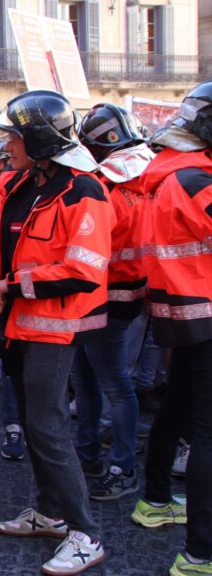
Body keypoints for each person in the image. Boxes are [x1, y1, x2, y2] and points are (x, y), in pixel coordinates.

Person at [0, 90, 112, 575]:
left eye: (11, 135)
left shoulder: (85, 191)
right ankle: (50, 512)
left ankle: (86, 533)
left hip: (53, 333)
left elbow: (83, 270)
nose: (4, 143)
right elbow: (7, 252)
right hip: (18, 327)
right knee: (37, 427)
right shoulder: (24, 185)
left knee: (48, 428)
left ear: (36, 139)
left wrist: (11, 286)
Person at [133, 81, 212, 576]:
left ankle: (156, 500)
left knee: (177, 410)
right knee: (207, 434)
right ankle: (201, 552)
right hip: (205, 312)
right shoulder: (197, 180)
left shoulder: (167, 174)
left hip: (179, 316)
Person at [72, 103, 152, 500]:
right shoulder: (145, 177)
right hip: (126, 296)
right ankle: (91, 453)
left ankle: (120, 466)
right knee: (94, 381)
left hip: (99, 297)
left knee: (109, 385)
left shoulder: (103, 185)